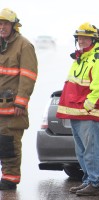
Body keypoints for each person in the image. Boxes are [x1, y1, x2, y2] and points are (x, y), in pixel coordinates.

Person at [56, 22, 99, 196]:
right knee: (81, 151)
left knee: (91, 150)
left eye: (85, 37)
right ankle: (88, 180)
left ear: (94, 39)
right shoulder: (81, 57)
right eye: (79, 37)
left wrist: (88, 105)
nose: (81, 40)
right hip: (77, 112)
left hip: (88, 112)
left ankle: (94, 183)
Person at [0, 8, 38, 190]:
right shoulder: (1, 44)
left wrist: (21, 101)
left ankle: (10, 178)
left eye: (5, 23)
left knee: (9, 143)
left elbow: (28, 76)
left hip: (13, 108)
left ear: (14, 26)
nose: (2, 27)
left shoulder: (24, 45)